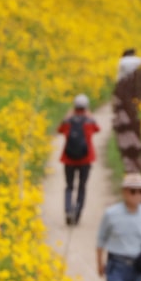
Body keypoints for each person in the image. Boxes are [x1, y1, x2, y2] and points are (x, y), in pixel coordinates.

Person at [58, 95, 100, 226]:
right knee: (82, 187)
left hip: (68, 159)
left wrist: (67, 116)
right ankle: (77, 212)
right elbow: (98, 129)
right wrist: (90, 115)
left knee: (69, 186)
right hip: (85, 160)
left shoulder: (68, 121)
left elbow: (59, 130)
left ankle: (68, 210)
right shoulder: (89, 121)